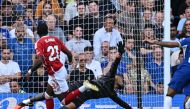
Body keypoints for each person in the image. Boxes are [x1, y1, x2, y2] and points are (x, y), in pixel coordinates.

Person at [14, 22, 98, 109]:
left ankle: (85, 86)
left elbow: (41, 59)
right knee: (48, 95)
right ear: (47, 30)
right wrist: (69, 62)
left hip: (56, 74)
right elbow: (69, 54)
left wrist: (30, 70)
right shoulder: (55, 39)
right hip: (57, 70)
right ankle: (28, 101)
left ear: (37, 32)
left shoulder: (39, 42)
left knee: (65, 101)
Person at [60, 41, 132, 109]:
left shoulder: (111, 90)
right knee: (59, 96)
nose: (120, 76)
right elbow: (115, 65)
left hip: (83, 95)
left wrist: (129, 107)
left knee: (66, 106)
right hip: (80, 85)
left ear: (117, 84)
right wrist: (119, 54)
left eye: (122, 80)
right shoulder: (110, 79)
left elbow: (121, 102)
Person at [144, 19, 190, 109]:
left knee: (169, 94)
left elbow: (172, 44)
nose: (188, 26)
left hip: (186, 68)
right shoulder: (185, 38)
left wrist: (156, 42)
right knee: (187, 100)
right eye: (187, 24)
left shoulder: (187, 40)